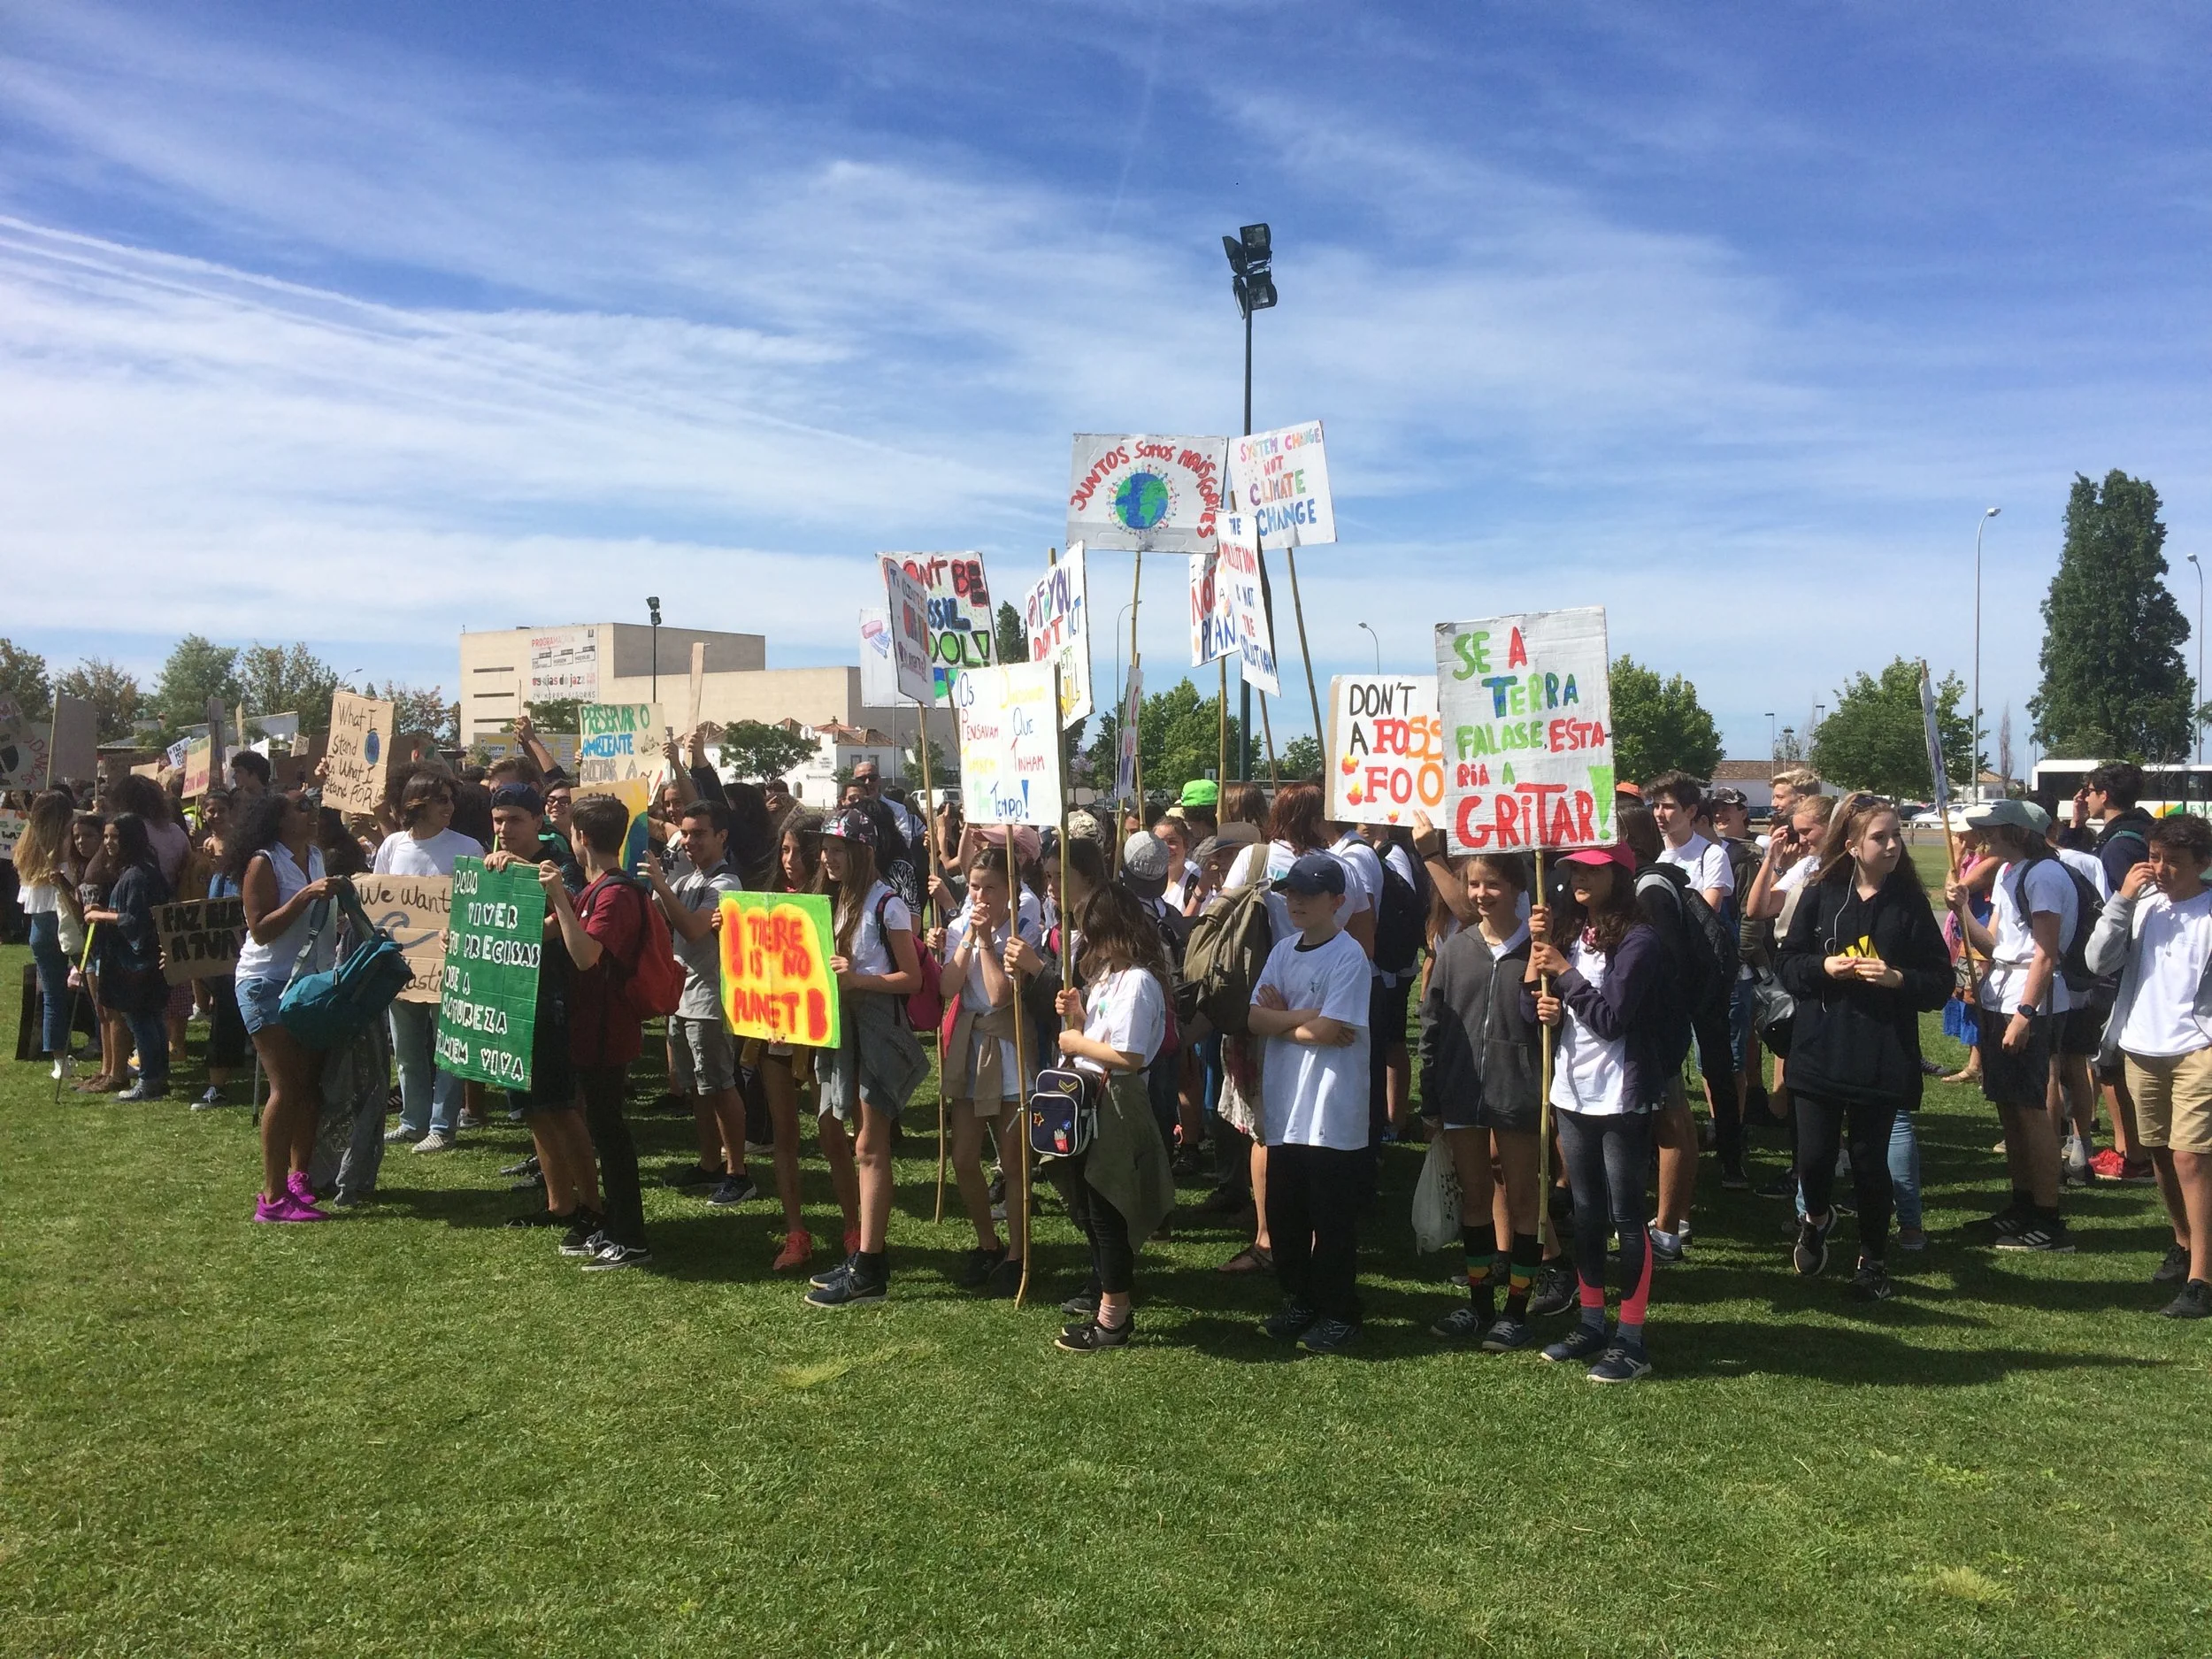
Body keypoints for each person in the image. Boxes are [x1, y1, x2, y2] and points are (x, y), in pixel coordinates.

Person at [1776, 798, 1952, 1301]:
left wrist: (1897, 978)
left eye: (1895, 835)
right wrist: (1822, 968)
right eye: (1881, 837)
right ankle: (1817, 1217)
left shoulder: (1910, 903)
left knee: (1871, 1163)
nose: (1893, 844)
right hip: (1818, 1048)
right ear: (1852, 846)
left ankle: (1873, 1261)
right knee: (1812, 1159)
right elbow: (1788, 964)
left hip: (1881, 1052)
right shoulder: (1822, 892)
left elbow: (1939, 982)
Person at [1526, 841, 1687, 1383]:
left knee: (1624, 1216)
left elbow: (1613, 1018)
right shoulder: (1573, 933)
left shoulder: (1640, 941)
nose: (1578, 879)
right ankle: (1592, 1320)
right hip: (1572, 1092)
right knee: (1587, 1212)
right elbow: (1568, 1012)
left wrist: (1566, 976)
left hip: (1620, 1094)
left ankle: (1632, 1338)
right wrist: (1549, 1008)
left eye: (1593, 871)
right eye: (1575, 870)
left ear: (1619, 876)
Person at [1241, 851, 1371, 1354]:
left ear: (1337, 902)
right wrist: (1307, 1021)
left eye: (1307, 894)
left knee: (1332, 1218)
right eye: (1290, 893)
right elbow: (1257, 1018)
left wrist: (1297, 1022)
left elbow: (1329, 1029)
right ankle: (1299, 1299)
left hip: (1330, 1110)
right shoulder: (1282, 951)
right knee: (1287, 1214)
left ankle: (1341, 1311)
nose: (1294, 901)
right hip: (1286, 1107)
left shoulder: (1348, 955)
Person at [2085, 811, 2212, 1317]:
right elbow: (2098, 962)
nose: (2159, 869)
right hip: (2140, 1046)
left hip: (2198, 1050)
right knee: (2157, 1151)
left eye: (2173, 863)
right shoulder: (2142, 907)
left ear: (2203, 865)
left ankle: (2203, 1277)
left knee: (2191, 1158)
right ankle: (2183, 1244)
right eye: (2155, 858)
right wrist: (2121, 900)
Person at [1418, 850, 1546, 1348]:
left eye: (1491, 884)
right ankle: (1478, 1305)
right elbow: (1433, 1024)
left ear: (1517, 887)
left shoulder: (1540, 951)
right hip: (1461, 1091)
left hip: (1520, 1090)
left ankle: (1516, 1309)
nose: (1479, 894)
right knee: (1474, 1198)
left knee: (1522, 1200)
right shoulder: (1455, 948)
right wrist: (1432, 1094)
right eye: (1473, 884)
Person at [804, 809, 928, 1307]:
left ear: (862, 852)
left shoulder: (887, 905)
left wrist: (858, 980)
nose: (827, 858)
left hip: (876, 1030)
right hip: (849, 1030)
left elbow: (914, 980)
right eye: (826, 849)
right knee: (860, 1143)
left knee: (870, 1148)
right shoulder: (842, 901)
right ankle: (864, 1258)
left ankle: (871, 1268)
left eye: (837, 850)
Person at [1048, 884, 1179, 1352]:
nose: (1091, 942)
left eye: (1096, 932)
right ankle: (1108, 1305)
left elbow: (1131, 1055)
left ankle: (1113, 1319)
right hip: (1092, 1105)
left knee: (1110, 1214)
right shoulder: (1108, 976)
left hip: (1117, 1107)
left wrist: (1078, 1043)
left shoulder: (1140, 982)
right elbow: (1099, 1038)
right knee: (1094, 1209)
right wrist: (1079, 1018)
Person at [1948, 798, 2080, 1253]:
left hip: (2031, 1001)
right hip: (2002, 993)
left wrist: (2025, 1013)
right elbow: (1995, 942)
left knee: (2031, 1112)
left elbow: (2044, 952)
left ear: (2021, 832)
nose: (1987, 836)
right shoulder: (2009, 873)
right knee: (2009, 1107)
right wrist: (1963, 909)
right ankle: (2022, 1204)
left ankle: (2048, 1217)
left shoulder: (2045, 875)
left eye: (1997, 828)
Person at [541, 794, 660, 1271]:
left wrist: (558, 900)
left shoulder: (614, 894)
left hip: (609, 1031)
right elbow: (558, 929)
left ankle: (630, 1235)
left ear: (582, 838)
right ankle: (614, 1226)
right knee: (602, 1129)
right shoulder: (596, 890)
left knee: (611, 1134)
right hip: (591, 1027)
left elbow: (586, 955)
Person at [481, 783, 602, 1237]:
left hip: (551, 999)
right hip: (509, 1001)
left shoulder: (558, 863)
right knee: (531, 1110)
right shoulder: (488, 869)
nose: (505, 829)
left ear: (538, 821)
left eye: (514, 819)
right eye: (498, 820)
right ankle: (560, 1204)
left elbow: (570, 915)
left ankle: (592, 1203)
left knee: (559, 1107)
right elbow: (481, 920)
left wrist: (523, 875)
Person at [931, 843, 1040, 1295]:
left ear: (1010, 890)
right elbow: (946, 987)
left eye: (990, 888)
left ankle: (1019, 1253)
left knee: (1014, 1162)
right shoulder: (958, 926)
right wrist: (963, 944)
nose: (980, 897)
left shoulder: (1021, 930)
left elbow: (999, 995)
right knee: (963, 1157)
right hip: (970, 1047)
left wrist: (988, 943)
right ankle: (987, 1242)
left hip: (1009, 1047)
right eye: (974, 887)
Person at [228, 793, 342, 1221]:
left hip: (310, 981)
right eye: (300, 808)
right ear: (276, 819)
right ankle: (273, 1199)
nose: (311, 813)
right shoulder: (264, 862)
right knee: (287, 1086)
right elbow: (260, 930)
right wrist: (305, 898)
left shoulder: (315, 855)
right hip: (267, 983)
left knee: (309, 1086)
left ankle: (300, 1177)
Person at [647, 797, 759, 1209]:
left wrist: (661, 886)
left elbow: (693, 929)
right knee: (697, 1087)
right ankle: (711, 1163)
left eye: (699, 834)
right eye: (686, 832)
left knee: (720, 1084)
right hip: (682, 996)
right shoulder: (687, 880)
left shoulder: (725, 883)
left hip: (710, 998)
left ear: (722, 836)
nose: (689, 841)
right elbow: (659, 920)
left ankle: (738, 1171)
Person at [374, 772, 485, 1152]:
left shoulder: (468, 847)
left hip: (448, 966)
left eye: (450, 799)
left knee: (447, 1047)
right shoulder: (391, 847)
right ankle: (412, 1120)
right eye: (441, 800)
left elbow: (478, 906)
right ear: (415, 805)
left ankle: (442, 1124)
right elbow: (381, 903)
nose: (449, 807)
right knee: (406, 1050)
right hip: (400, 968)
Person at [756, 810, 833, 1271]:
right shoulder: (764, 901)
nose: (788, 860)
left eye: (796, 850)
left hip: (821, 1034)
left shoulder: (835, 900)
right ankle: (796, 1232)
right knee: (785, 1137)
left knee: (833, 1137)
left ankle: (854, 1229)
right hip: (775, 1029)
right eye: (782, 850)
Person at [81, 813, 173, 1101]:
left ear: (131, 839)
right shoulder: (140, 870)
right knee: (151, 1020)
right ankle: (157, 1076)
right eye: (106, 836)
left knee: (141, 1021)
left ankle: (149, 1080)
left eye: (115, 837)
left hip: (137, 963)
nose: (108, 842)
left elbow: (134, 920)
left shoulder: (136, 875)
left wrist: (100, 915)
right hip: (143, 959)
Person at [13, 790, 79, 1077]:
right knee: (96, 985)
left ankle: (59, 1061)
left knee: (53, 993)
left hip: (39, 927)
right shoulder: (67, 847)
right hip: (66, 922)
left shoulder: (27, 847)